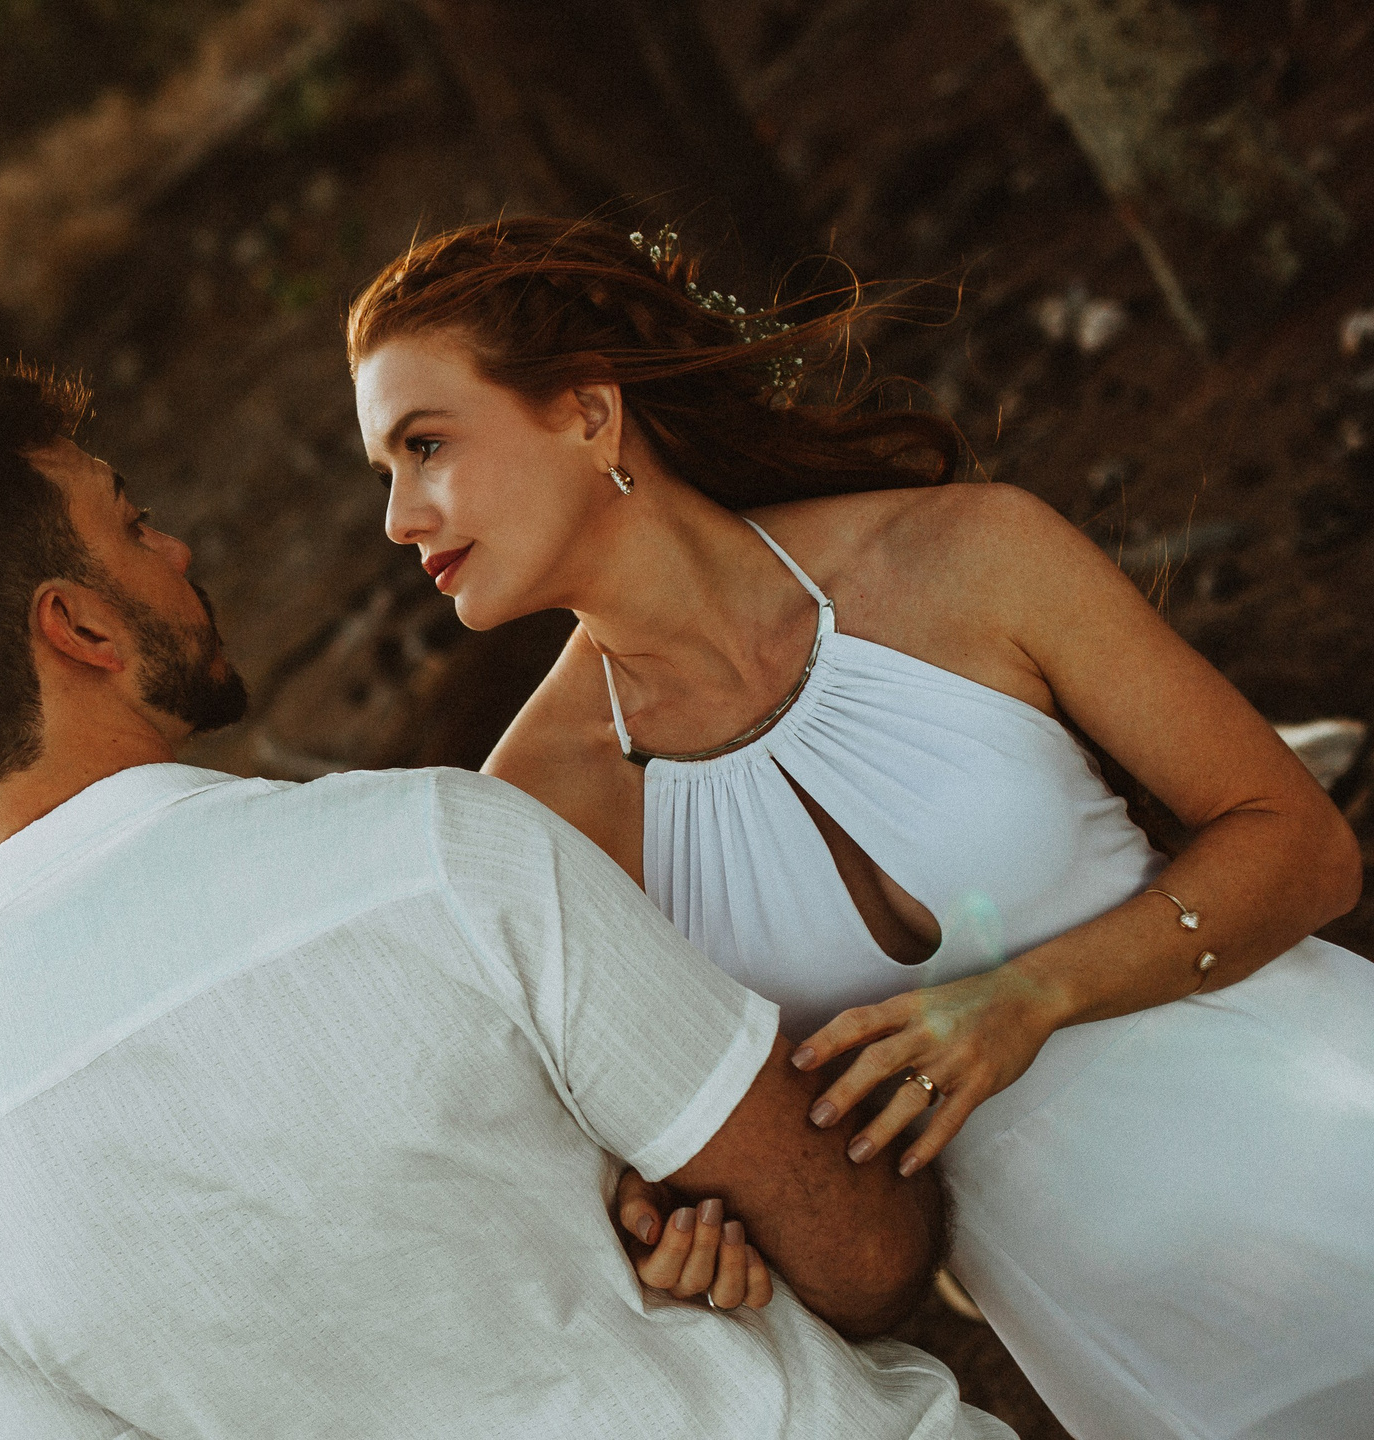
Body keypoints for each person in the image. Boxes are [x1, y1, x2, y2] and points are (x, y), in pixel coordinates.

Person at [0, 364, 1013, 1438]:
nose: (179, 549)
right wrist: (693, 1210)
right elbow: (865, 1252)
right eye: (136, 526)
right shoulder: (432, 852)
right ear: (82, 628)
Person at [347, 217, 1374, 1440]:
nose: (403, 517)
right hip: (1144, 1354)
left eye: (426, 446)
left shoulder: (967, 554)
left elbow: (1301, 847)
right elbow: (676, 1185)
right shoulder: (540, 814)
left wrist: (1029, 1000)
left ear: (586, 412)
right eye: (385, 473)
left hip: (1336, 1136)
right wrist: (691, 1246)